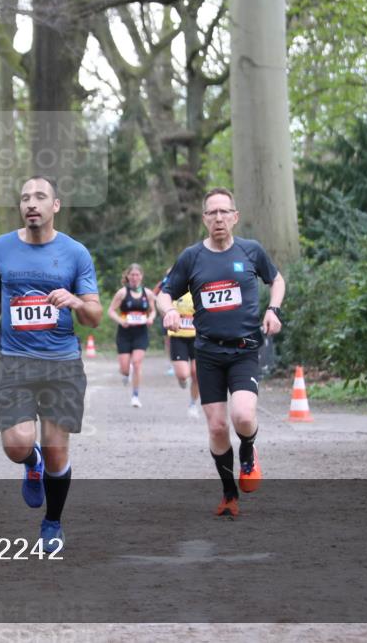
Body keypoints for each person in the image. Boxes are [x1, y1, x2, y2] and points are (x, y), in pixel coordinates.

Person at [0, 176, 102, 551]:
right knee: (16, 445)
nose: (31, 203)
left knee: (58, 451)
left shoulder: (75, 253)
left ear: (55, 206)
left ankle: (52, 524)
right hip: (15, 362)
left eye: (40, 197)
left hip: (62, 364)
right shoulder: (1, 247)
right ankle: (30, 461)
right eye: (25, 197)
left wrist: (75, 301)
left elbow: (94, 316)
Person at [157, 187, 285, 517]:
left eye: (224, 212)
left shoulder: (251, 251)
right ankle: (229, 494)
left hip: (244, 350)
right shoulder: (192, 257)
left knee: (243, 416)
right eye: (212, 213)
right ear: (204, 219)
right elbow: (164, 293)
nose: (218, 218)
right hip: (209, 353)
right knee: (216, 427)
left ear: (234, 217)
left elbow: (277, 280)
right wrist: (167, 310)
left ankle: (249, 450)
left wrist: (273, 310)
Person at [107, 264, 157, 408]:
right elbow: (111, 311)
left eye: (137, 275)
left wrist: (150, 318)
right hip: (124, 333)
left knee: (136, 363)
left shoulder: (148, 293)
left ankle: (135, 396)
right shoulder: (122, 293)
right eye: (132, 275)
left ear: (141, 276)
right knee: (124, 369)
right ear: (128, 276)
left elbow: (153, 311)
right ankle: (125, 373)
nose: (135, 277)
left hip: (141, 333)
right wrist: (121, 321)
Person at [167, 291, 201, 419]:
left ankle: (193, 404)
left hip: (197, 337)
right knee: (183, 374)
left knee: (196, 374)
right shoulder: (175, 288)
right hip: (178, 337)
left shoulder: (199, 288)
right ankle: (181, 379)